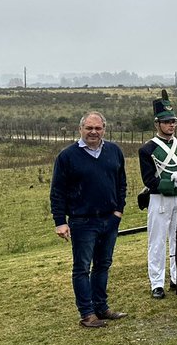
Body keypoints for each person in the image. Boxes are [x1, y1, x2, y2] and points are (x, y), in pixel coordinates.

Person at [50, 111, 128, 329]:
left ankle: (101, 307)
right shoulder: (67, 156)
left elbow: (121, 183)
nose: (94, 132)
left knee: (103, 265)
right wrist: (60, 221)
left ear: (104, 129)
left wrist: (118, 212)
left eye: (98, 128)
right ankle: (87, 314)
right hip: (82, 221)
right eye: (89, 128)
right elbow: (57, 191)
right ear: (80, 129)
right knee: (82, 267)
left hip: (109, 220)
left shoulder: (114, 151)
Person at [138, 90, 177, 299]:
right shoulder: (147, 149)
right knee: (157, 241)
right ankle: (157, 282)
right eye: (166, 122)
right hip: (159, 199)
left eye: (173, 121)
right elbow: (149, 180)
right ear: (157, 124)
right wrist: (172, 184)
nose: (171, 125)